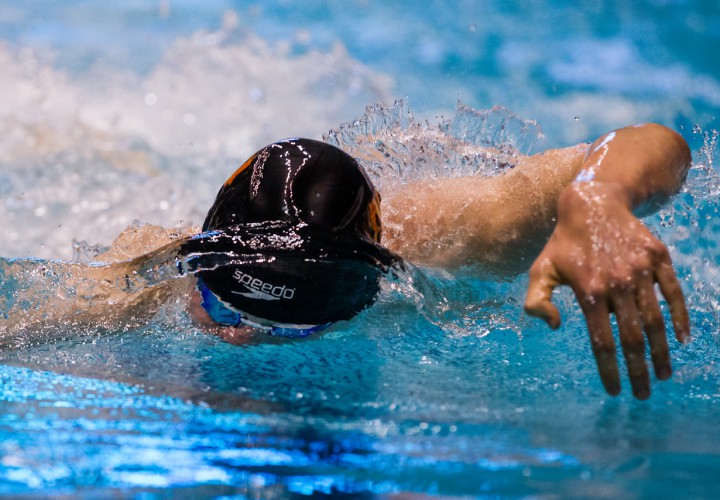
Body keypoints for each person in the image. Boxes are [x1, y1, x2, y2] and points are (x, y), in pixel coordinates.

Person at [2, 124, 692, 400]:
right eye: (222, 306)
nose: (245, 339)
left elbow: (656, 142)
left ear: (361, 293)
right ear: (195, 275)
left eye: (296, 326)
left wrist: (599, 202)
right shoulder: (147, 278)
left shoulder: (464, 236)